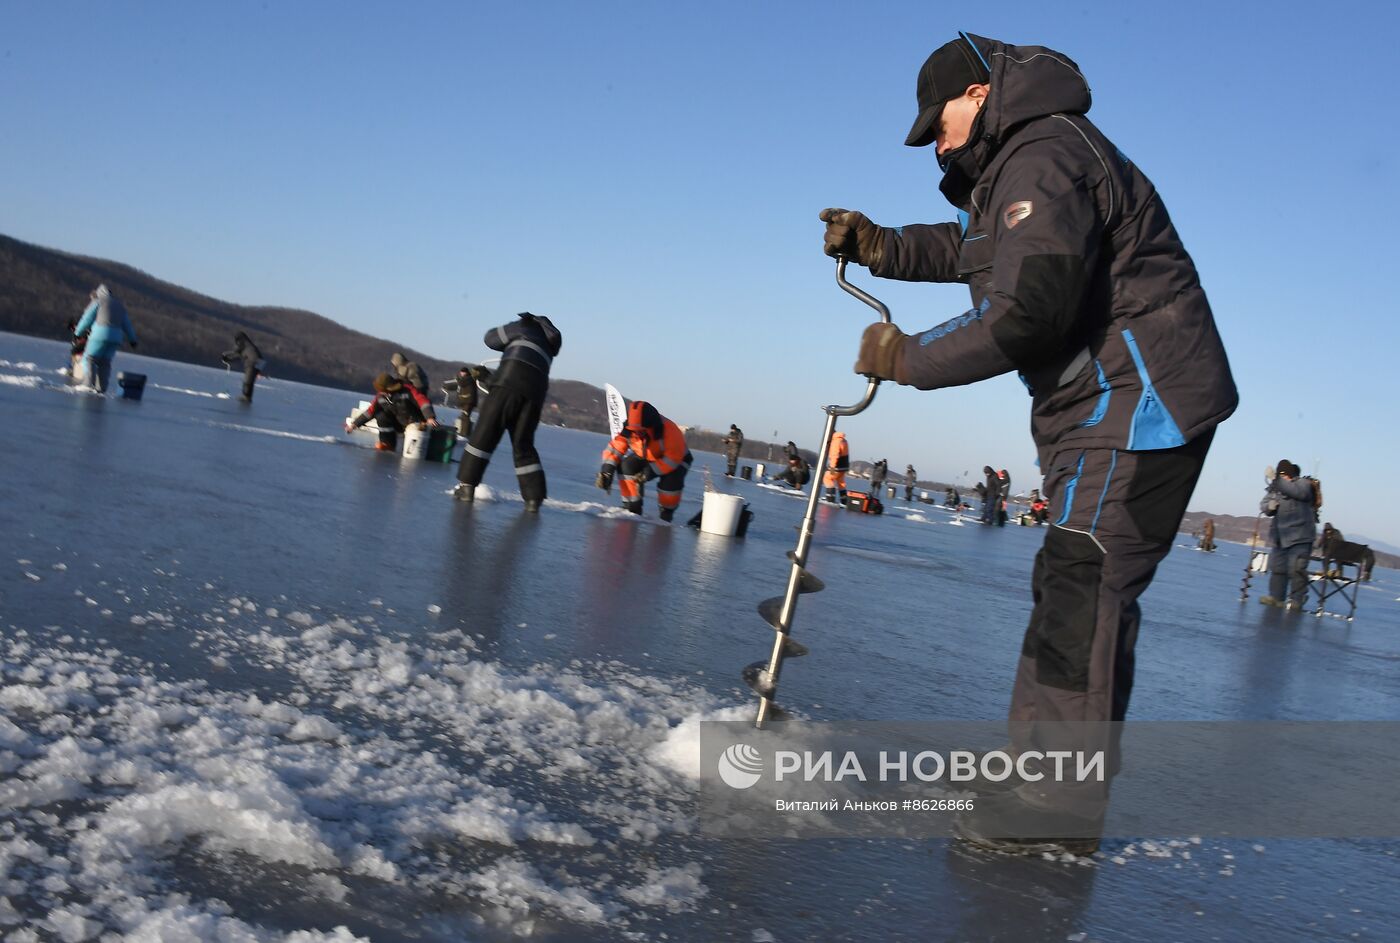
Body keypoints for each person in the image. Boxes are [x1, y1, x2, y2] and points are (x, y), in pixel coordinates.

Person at [823, 32, 1236, 854]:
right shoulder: (1022, 166)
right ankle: (1039, 774)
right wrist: (882, 247)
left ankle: (1056, 804)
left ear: (976, 94)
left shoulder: (1043, 153)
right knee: (1073, 583)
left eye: (934, 122)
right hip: (1108, 410)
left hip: (1137, 406)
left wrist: (907, 356)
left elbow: (1028, 307)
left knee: (1084, 583)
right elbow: (979, 250)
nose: (931, 141)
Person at [454, 312, 563, 511]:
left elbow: (491, 339)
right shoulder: (550, 342)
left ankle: (466, 486)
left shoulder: (524, 326)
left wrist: (514, 327)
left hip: (508, 382)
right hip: (535, 393)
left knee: (484, 434)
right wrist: (489, 378)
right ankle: (533, 499)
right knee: (523, 444)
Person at [596, 401, 693, 521]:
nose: (637, 433)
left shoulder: (670, 430)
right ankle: (632, 507)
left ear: (650, 425)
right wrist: (607, 470)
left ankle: (666, 514)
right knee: (626, 466)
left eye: (641, 430)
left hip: (677, 460)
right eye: (634, 430)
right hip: (647, 455)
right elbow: (615, 448)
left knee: (670, 484)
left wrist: (649, 472)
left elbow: (672, 460)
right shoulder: (629, 429)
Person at [1259, 461, 1317, 610]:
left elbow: (1298, 493)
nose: (1282, 478)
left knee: (1296, 570)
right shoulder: (1275, 489)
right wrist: (1269, 507)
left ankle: (1297, 599)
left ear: (1290, 475)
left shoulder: (1303, 484)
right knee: (1278, 568)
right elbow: (1264, 504)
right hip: (1280, 537)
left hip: (1300, 537)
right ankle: (1276, 597)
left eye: (1284, 475)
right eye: (1280, 475)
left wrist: (1276, 480)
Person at [345, 372, 439, 450]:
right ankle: (387, 444)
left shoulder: (407, 390)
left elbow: (423, 401)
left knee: (415, 432)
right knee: (381, 416)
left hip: (414, 423)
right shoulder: (380, 397)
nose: (381, 392)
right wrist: (354, 425)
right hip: (397, 424)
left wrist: (430, 417)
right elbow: (370, 411)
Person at [72, 284, 138, 393]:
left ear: (99, 293)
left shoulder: (98, 301)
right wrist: (133, 340)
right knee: (105, 362)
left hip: (100, 334)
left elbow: (87, 318)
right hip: (116, 339)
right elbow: (127, 325)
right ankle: (101, 389)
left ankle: (87, 385)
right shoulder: (120, 306)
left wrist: (77, 332)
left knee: (90, 359)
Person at [441, 364, 493, 437]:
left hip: (468, 401)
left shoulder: (470, 378)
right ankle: (463, 433)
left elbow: (461, 383)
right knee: (464, 416)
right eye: (461, 372)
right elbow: (458, 385)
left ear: (466, 372)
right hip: (465, 401)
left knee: (465, 416)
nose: (461, 373)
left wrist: (458, 379)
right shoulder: (464, 380)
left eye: (463, 372)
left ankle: (464, 434)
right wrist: (447, 387)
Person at [221, 331, 264, 402]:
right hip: (257, 363)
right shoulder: (249, 345)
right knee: (249, 381)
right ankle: (247, 397)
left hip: (252, 363)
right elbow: (239, 356)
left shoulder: (244, 345)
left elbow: (237, 353)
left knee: (248, 381)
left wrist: (227, 358)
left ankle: (246, 397)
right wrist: (259, 370)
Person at [823, 432, 850, 504]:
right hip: (844, 467)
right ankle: (844, 501)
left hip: (837, 467)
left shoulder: (836, 442)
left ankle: (830, 498)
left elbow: (835, 455)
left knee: (827, 478)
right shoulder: (844, 440)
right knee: (841, 482)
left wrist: (832, 467)